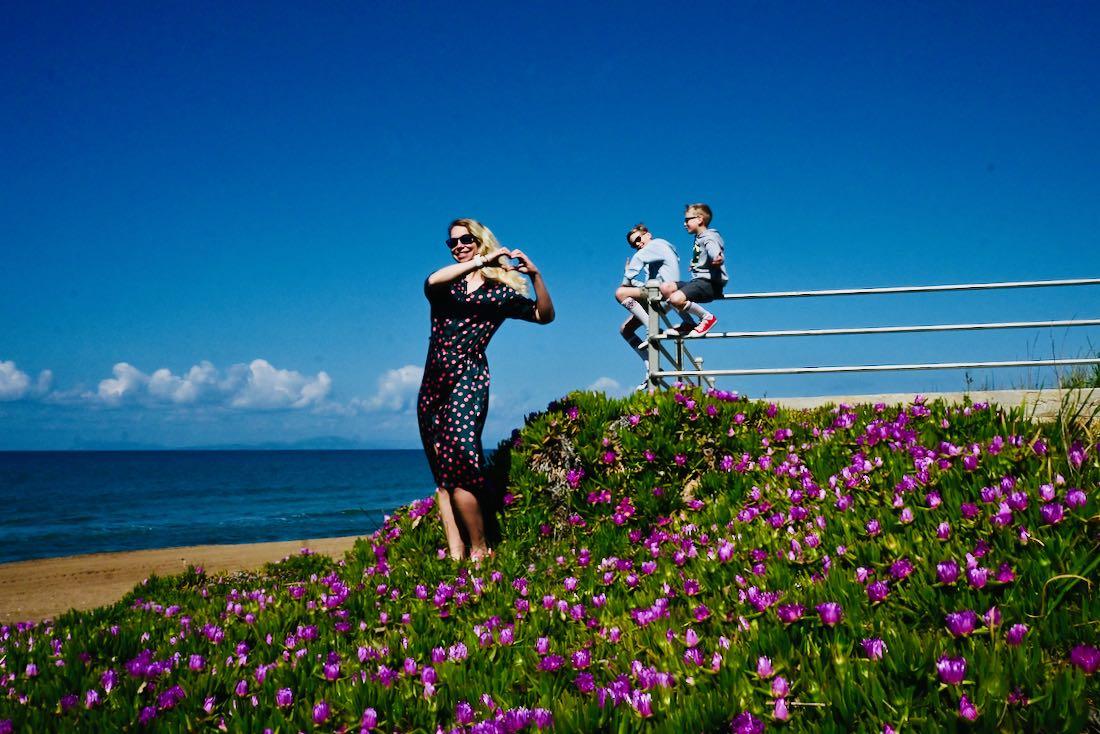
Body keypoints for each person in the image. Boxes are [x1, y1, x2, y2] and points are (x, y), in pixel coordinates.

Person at [417, 218, 554, 562]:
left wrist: (535, 276)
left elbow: (543, 315)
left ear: (481, 241)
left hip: (469, 378)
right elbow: (430, 280)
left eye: (467, 240)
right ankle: (456, 550)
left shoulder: (500, 293)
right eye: (453, 243)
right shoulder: (446, 286)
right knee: (443, 472)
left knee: (462, 460)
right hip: (433, 383)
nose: (460, 246)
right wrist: (480, 262)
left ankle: (480, 548)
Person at [615, 223, 680, 389]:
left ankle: (651, 327)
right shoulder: (651, 256)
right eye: (633, 244)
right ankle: (651, 367)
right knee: (625, 329)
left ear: (648, 234)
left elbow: (652, 281)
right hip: (654, 293)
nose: (637, 244)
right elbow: (646, 283)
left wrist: (627, 277)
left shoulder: (657, 245)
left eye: (638, 239)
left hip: (662, 294)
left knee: (620, 293)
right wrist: (630, 278)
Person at [659, 203, 727, 337]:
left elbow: (713, 249)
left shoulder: (709, 236)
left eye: (687, 220)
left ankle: (707, 318)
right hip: (698, 281)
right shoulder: (698, 238)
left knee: (675, 299)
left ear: (700, 219)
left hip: (709, 284)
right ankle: (689, 324)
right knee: (666, 288)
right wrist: (695, 263)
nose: (684, 224)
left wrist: (717, 257)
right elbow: (702, 254)